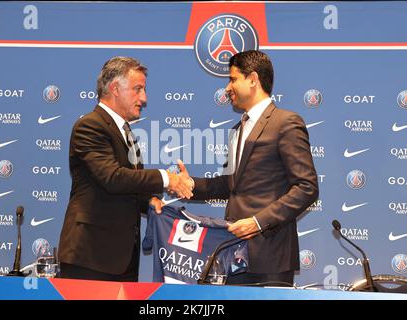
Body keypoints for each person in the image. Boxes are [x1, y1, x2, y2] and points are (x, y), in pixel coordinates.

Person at [154, 50, 319, 286]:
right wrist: (190, 184)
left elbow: (307, 187)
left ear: (253, 79)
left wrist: (259, 222)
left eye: (232, 79)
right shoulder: (237, 130)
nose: (227, 88)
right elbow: (231, 184)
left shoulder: (286, 123)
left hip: (269, 255)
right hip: (232, 253)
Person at [58, 57, 193, 282]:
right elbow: (113, 178)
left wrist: (149, 201)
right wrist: (166, 178)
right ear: (114, 89)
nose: (144, 98)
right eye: (137, 89)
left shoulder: (126, 131)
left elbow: (127, 189)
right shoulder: (90, 126)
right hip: (90, 256)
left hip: (123, 259)